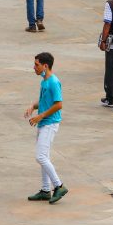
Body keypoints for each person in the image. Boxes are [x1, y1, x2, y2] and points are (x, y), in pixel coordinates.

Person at [25, 52, 68, 204]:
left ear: (45, 65)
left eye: (36, 64)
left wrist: (41, 116)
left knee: (41, 157)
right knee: (44, 156)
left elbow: (58, 104)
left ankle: (59, 185)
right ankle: (45, 190)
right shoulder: (45, 81)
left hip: (50, 124)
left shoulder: (53, 82)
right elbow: (45, 101)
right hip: (44, 122)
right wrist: (33, 107)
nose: (34, 67)